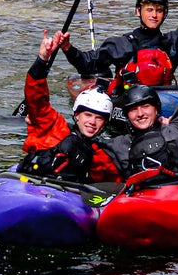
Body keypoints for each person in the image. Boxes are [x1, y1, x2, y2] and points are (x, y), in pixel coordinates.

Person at [101, 28, 178, 178]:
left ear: (157, 110)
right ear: (127, 115)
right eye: (133, 110)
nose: (140, 114)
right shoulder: (117, 146)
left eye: (145, 107)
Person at [18, 31, 122, 184]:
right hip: (30, 185)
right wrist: (42, 60)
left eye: (99, 118)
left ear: (105, 123)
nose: (92, 122)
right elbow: (35, 96)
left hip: (65, 195)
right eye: (87, 115)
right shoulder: (52, 127)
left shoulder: (101, 157)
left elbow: (117, 186)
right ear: (77, 115)